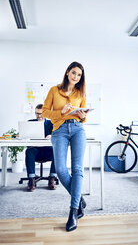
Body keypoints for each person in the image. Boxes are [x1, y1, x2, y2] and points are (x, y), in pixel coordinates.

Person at [42, 61, 88, 232]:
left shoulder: (81, 92)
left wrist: (82, 116)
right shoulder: (54, 90)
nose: (76, 77)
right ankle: (80, 199)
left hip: (77, 129)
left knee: (77, 169)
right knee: (61, 170)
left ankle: (73, 211)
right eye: (74, 73)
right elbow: (45, 111)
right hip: (59, 130)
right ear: (68, 72)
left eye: (79, 75)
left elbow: (84, 117)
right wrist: (60, 113)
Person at [26, 104, 58, 192]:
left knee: (57, 151)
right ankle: (31, 180)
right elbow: (23, 135)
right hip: (35, 151)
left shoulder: (51, 123)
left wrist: (52, 136)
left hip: (48, 151)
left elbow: (58, 135)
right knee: (29, 151)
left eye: (40, 113)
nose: (39, 116)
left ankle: (52, 178)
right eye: (37, 113)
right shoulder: (30, 122)